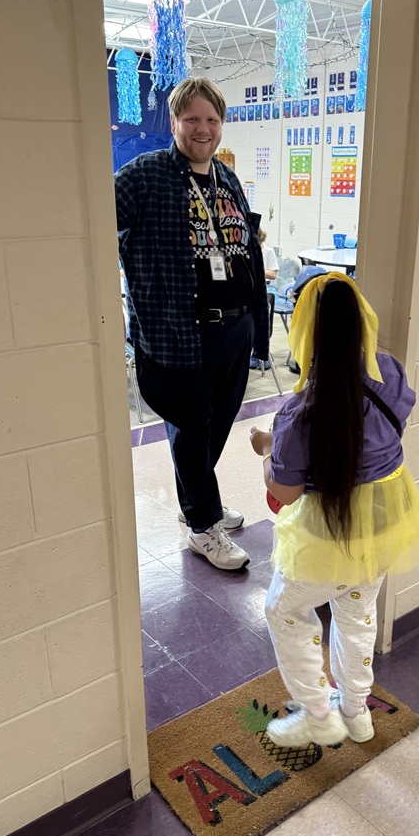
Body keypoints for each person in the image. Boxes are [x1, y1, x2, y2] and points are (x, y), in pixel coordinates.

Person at [249, 272, 419, 746]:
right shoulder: (388, 371)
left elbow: (286, 493)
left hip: (329, 535)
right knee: (357, 613)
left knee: (283, 610)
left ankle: (317, 713)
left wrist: (269, 453)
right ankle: (356, 712)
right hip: (385, 521)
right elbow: (377, 435)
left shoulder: (299, 413)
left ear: (304, 329)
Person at [115, 77, 270, 571]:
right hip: (179, 333)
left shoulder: (225, 180)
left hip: (234, 328)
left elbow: (248, 245)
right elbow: (92, 226)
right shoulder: (144, 176)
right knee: (192, 428)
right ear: (175, 122)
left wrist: (257, 327)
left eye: (212, 120)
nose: (203, 129)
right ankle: (202, 524)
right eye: (193, 119)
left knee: (213, 428)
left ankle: (198, 503)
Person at [249, 228, 280, 371]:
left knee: (262, 321)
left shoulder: (268, 252)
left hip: (263, 290)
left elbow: (273, 274)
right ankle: (251, 353)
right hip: (248, 289)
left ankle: (261, 353)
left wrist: (256, 269)